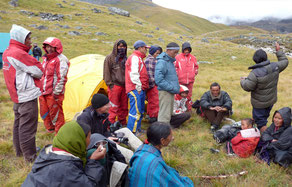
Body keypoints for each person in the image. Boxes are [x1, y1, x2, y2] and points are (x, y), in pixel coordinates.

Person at [2, 24, 43, 162]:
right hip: (26, 95)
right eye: (28, 38)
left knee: (18, 124)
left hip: (17, 95)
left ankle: (20, 151)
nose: (30, 41)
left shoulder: (8, 51)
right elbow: (38, 70)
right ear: (20, 39)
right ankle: (30, 157)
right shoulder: (19, 53)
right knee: (28, 127)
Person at [22, 121, 107, 187]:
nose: (90, 139)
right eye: (89, 137)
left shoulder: (48, 152)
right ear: (79, 140)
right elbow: (88, 185)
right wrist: (93, 161)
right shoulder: (65, 167)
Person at [77, 94, 143, 163]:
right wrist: (106, 139)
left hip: (102, 138)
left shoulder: (103, 114)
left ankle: (143, 150)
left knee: (125, 130)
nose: (110, 106)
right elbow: (85, 138)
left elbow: (105, 131)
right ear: (99, 107)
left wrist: (110, 136)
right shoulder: (85, 117)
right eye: (107, 105)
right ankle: (138, 162)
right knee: (127, 152)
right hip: (93, 143)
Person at [240, 42, 289, 132]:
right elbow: (285, 61)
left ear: (255, 60)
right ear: (265, 57)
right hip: (271, 100)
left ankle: (268, 137)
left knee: (260, 123)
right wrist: (278, 51)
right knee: (264, 117)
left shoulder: (255, 73)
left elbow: (247, 87)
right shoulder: (275, 66)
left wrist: (243, 80)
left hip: (259, 104)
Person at [128, 122, 194, 187]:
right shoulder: (156, 163)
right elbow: (172, 183)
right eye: (171, 136)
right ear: (162, 141)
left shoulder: (141, 150)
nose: (172, 138)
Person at [39, 37, 70, 134]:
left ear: (57, 47)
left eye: (52, 47)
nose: (49, 49)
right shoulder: (45, 58)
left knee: (56, 114)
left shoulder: (61, 60)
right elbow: (42, 74)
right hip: (43, 90)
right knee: (44, 112)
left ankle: (60, 133)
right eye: (47, 46)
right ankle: (50, 130)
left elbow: (62, 77)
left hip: (54, 92)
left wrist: (56, 92)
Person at [125, 40, 149, 134]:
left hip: (139, 88)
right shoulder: (135, 58)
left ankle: (137, 128)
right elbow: (134, 74)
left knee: (141, 109)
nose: (146, 50)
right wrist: (138, 87)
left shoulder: (138, 58)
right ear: (140, 48)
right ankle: (132, 131)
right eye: (145, 48)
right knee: (135, 110)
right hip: (135, 88)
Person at [103, 39, 128, 126]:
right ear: (116, 47)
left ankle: (122, 123)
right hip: (115, 86)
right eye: (120, 46)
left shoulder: (126, 59)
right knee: (113, 107)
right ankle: (110, 124)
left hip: (125, 86)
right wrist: (110, 85)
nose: (122, 48)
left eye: (124, 46)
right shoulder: (110, 58)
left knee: (124, 107)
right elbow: (106, 72)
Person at [155, 42, 180, 123]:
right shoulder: (162, 62)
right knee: (164, 114)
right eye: (174, 52)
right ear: (168, 50)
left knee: (168, 113)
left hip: (169, 91)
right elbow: (158, 79)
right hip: (165, 91)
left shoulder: (169, 61)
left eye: (177, 52)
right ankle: (162, 133)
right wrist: (171, 87)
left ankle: (166, 132)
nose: (176, 54)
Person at [175, 42, 199, 110]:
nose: (186, 51)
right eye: (185, 49)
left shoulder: (193, 58)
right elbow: (175, 66)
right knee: (179, 95)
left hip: (190, 81)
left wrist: (194, 72)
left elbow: (196, 66)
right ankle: (178, 109)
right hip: (180, 81)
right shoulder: (178, 57)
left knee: (188, 95)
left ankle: (188, 109)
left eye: (188, 49)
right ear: (183, 49)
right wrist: (177, 74)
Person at [145, 45, 161, 123]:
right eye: (156, 53)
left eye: (159, 53)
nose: (157, 55)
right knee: (154, 102)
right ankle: (153, 118)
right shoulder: (150, 60)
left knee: (152, 102)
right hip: (153, 85)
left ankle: (150, 115)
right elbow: (149, 74)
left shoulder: (153, 60)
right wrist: (154, 84)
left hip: (154, 85)